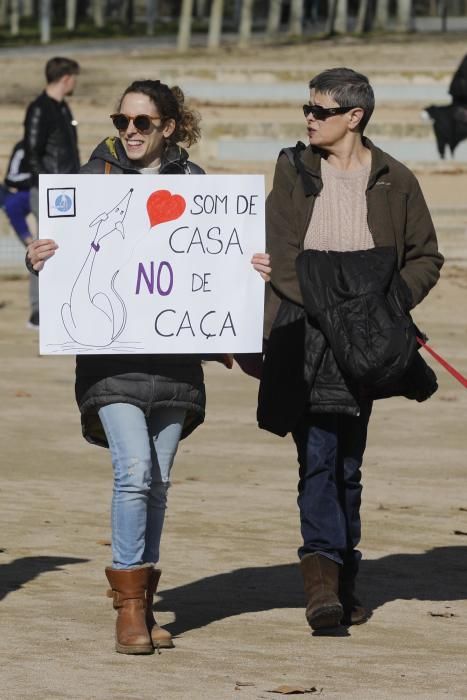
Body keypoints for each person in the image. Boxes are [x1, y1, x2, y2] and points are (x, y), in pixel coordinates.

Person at [26, 79, 229, 655]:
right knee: (134, 470)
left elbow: (214, 268)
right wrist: (37, 257)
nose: (130, 133)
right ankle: (131, 608)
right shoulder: (90, 182)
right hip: (109, 359)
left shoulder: (196, 185)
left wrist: (247, 275)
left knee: (158, 482)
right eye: (122, 122)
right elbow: (60, 259)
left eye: (143, 123)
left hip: (176, 360)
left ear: (168, 126)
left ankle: (143, 595)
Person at [252, 67, 443, 632]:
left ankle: (343, 578)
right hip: (302, 332)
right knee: (317, 454)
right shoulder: (291, 171)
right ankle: (322, 586)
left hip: (365, 340)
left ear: (354, 117)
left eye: (320, 110)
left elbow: (425, 258)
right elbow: (277, 251)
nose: (308, 118)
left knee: (349, 463)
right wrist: (326, 301)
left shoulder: (396, 179)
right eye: (307, 109)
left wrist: (382, 306)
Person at [23, 56, 81, 328]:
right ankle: (38, 309)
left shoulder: (63, 109)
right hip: (49, 190)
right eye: (74, 78)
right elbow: (32, 152)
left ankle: (64, 303)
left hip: (68, 188)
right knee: (41, 245)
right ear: (66, 78)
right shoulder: (39, 109)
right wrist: (47, 184)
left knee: (66, 245)